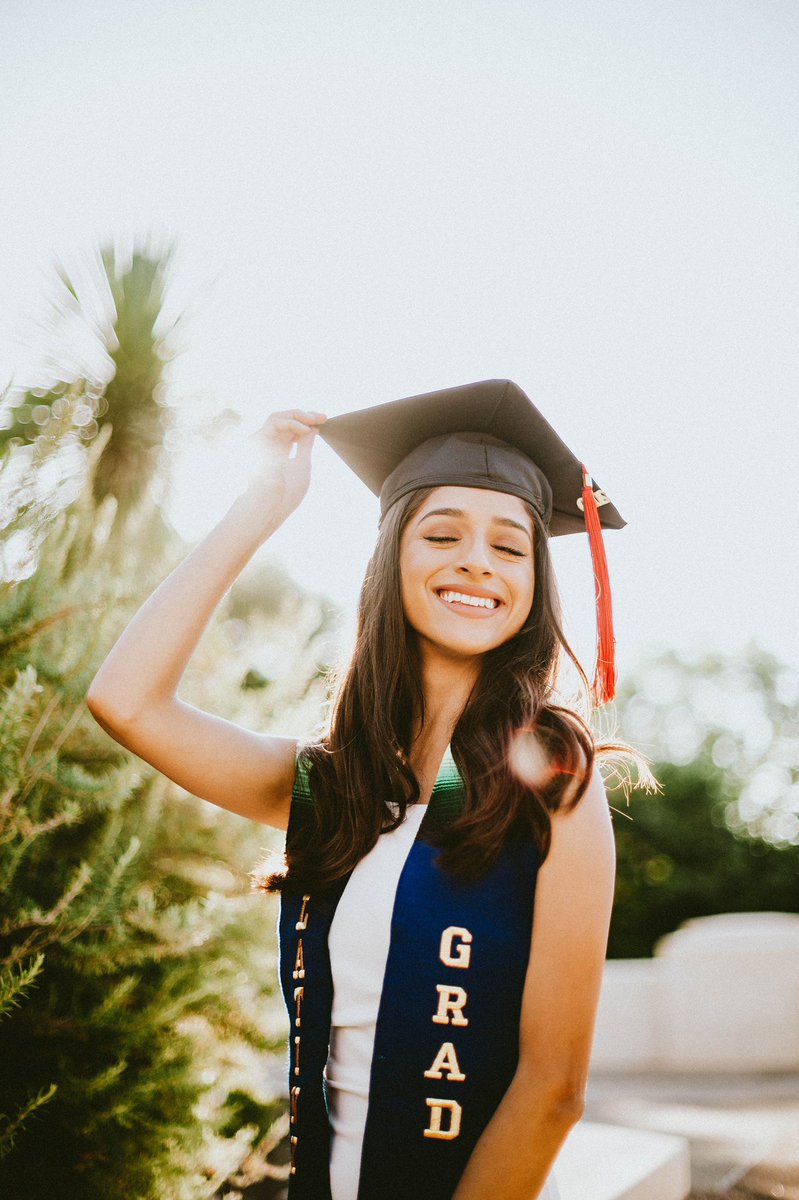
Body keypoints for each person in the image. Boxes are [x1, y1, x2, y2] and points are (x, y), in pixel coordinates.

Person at [87, 378, 632, 1200]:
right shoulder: (330, 786)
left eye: (509, 546)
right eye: (441, 534)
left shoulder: (551, 785)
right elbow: (124, 702)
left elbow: (552, 1089)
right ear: (393, 558)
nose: (476, 561)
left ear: (532, 584)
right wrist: (257, 509)